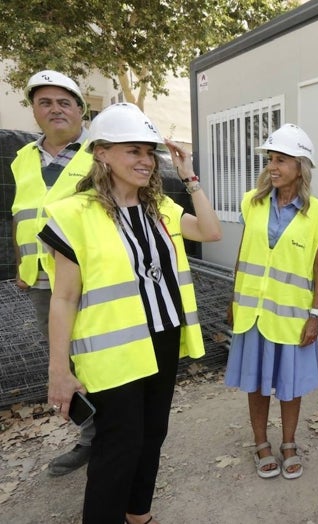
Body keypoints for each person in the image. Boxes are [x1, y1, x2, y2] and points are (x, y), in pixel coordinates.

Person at [42, 102, 222, 524]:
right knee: (119, 445)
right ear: (101, 152)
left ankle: (138, 514)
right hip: (112, 350)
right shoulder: (74, 215)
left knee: (153, 435)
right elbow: (63, 298)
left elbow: (211, 231)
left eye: (149, 152)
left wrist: (189, 176)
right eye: (133, 151)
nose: (145, 161)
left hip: (161, 338)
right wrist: (58, 371)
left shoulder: (160, 207)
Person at [226, 123, 318, 480]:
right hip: (252, 313)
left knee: (290, 387)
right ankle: (261, 442)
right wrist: (233, 299)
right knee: (256, 383)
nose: (272, 166)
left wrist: (315, 316)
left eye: (281, 160)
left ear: (300, 166)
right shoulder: (252, 203)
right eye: (270, 159)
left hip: (292, 318)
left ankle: (288, 443)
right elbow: (243, 253)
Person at [11, 70, 95, 476]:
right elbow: (21, 214)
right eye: (46, 102)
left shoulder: (99, 153)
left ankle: (112, 437)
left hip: (90, 279)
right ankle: (92, 436)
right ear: (35, 112)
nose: (55, 109)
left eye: (64, 102)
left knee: (99, 356)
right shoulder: (23, 159)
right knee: (65, 363)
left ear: (81, 110)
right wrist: (20, 261)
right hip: (42, 282)